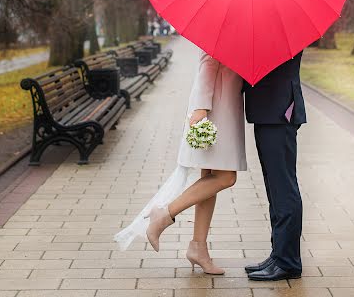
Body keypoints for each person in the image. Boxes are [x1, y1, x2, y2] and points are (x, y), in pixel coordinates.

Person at [114, 47, 246, 275]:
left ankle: (198, 248)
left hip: (226, 103)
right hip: (215, 107)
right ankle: (164, 214)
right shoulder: (223, 20)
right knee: (226, 177)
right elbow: (208, 61)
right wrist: (202, 106)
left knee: (210, 179)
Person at [243, 51, 306, 282]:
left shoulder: (284, 27)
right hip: (267, 111)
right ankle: (278, 254)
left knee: (284, 188)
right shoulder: (265, 27)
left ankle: (288, 262)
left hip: (280, 111)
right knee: (274, 189)